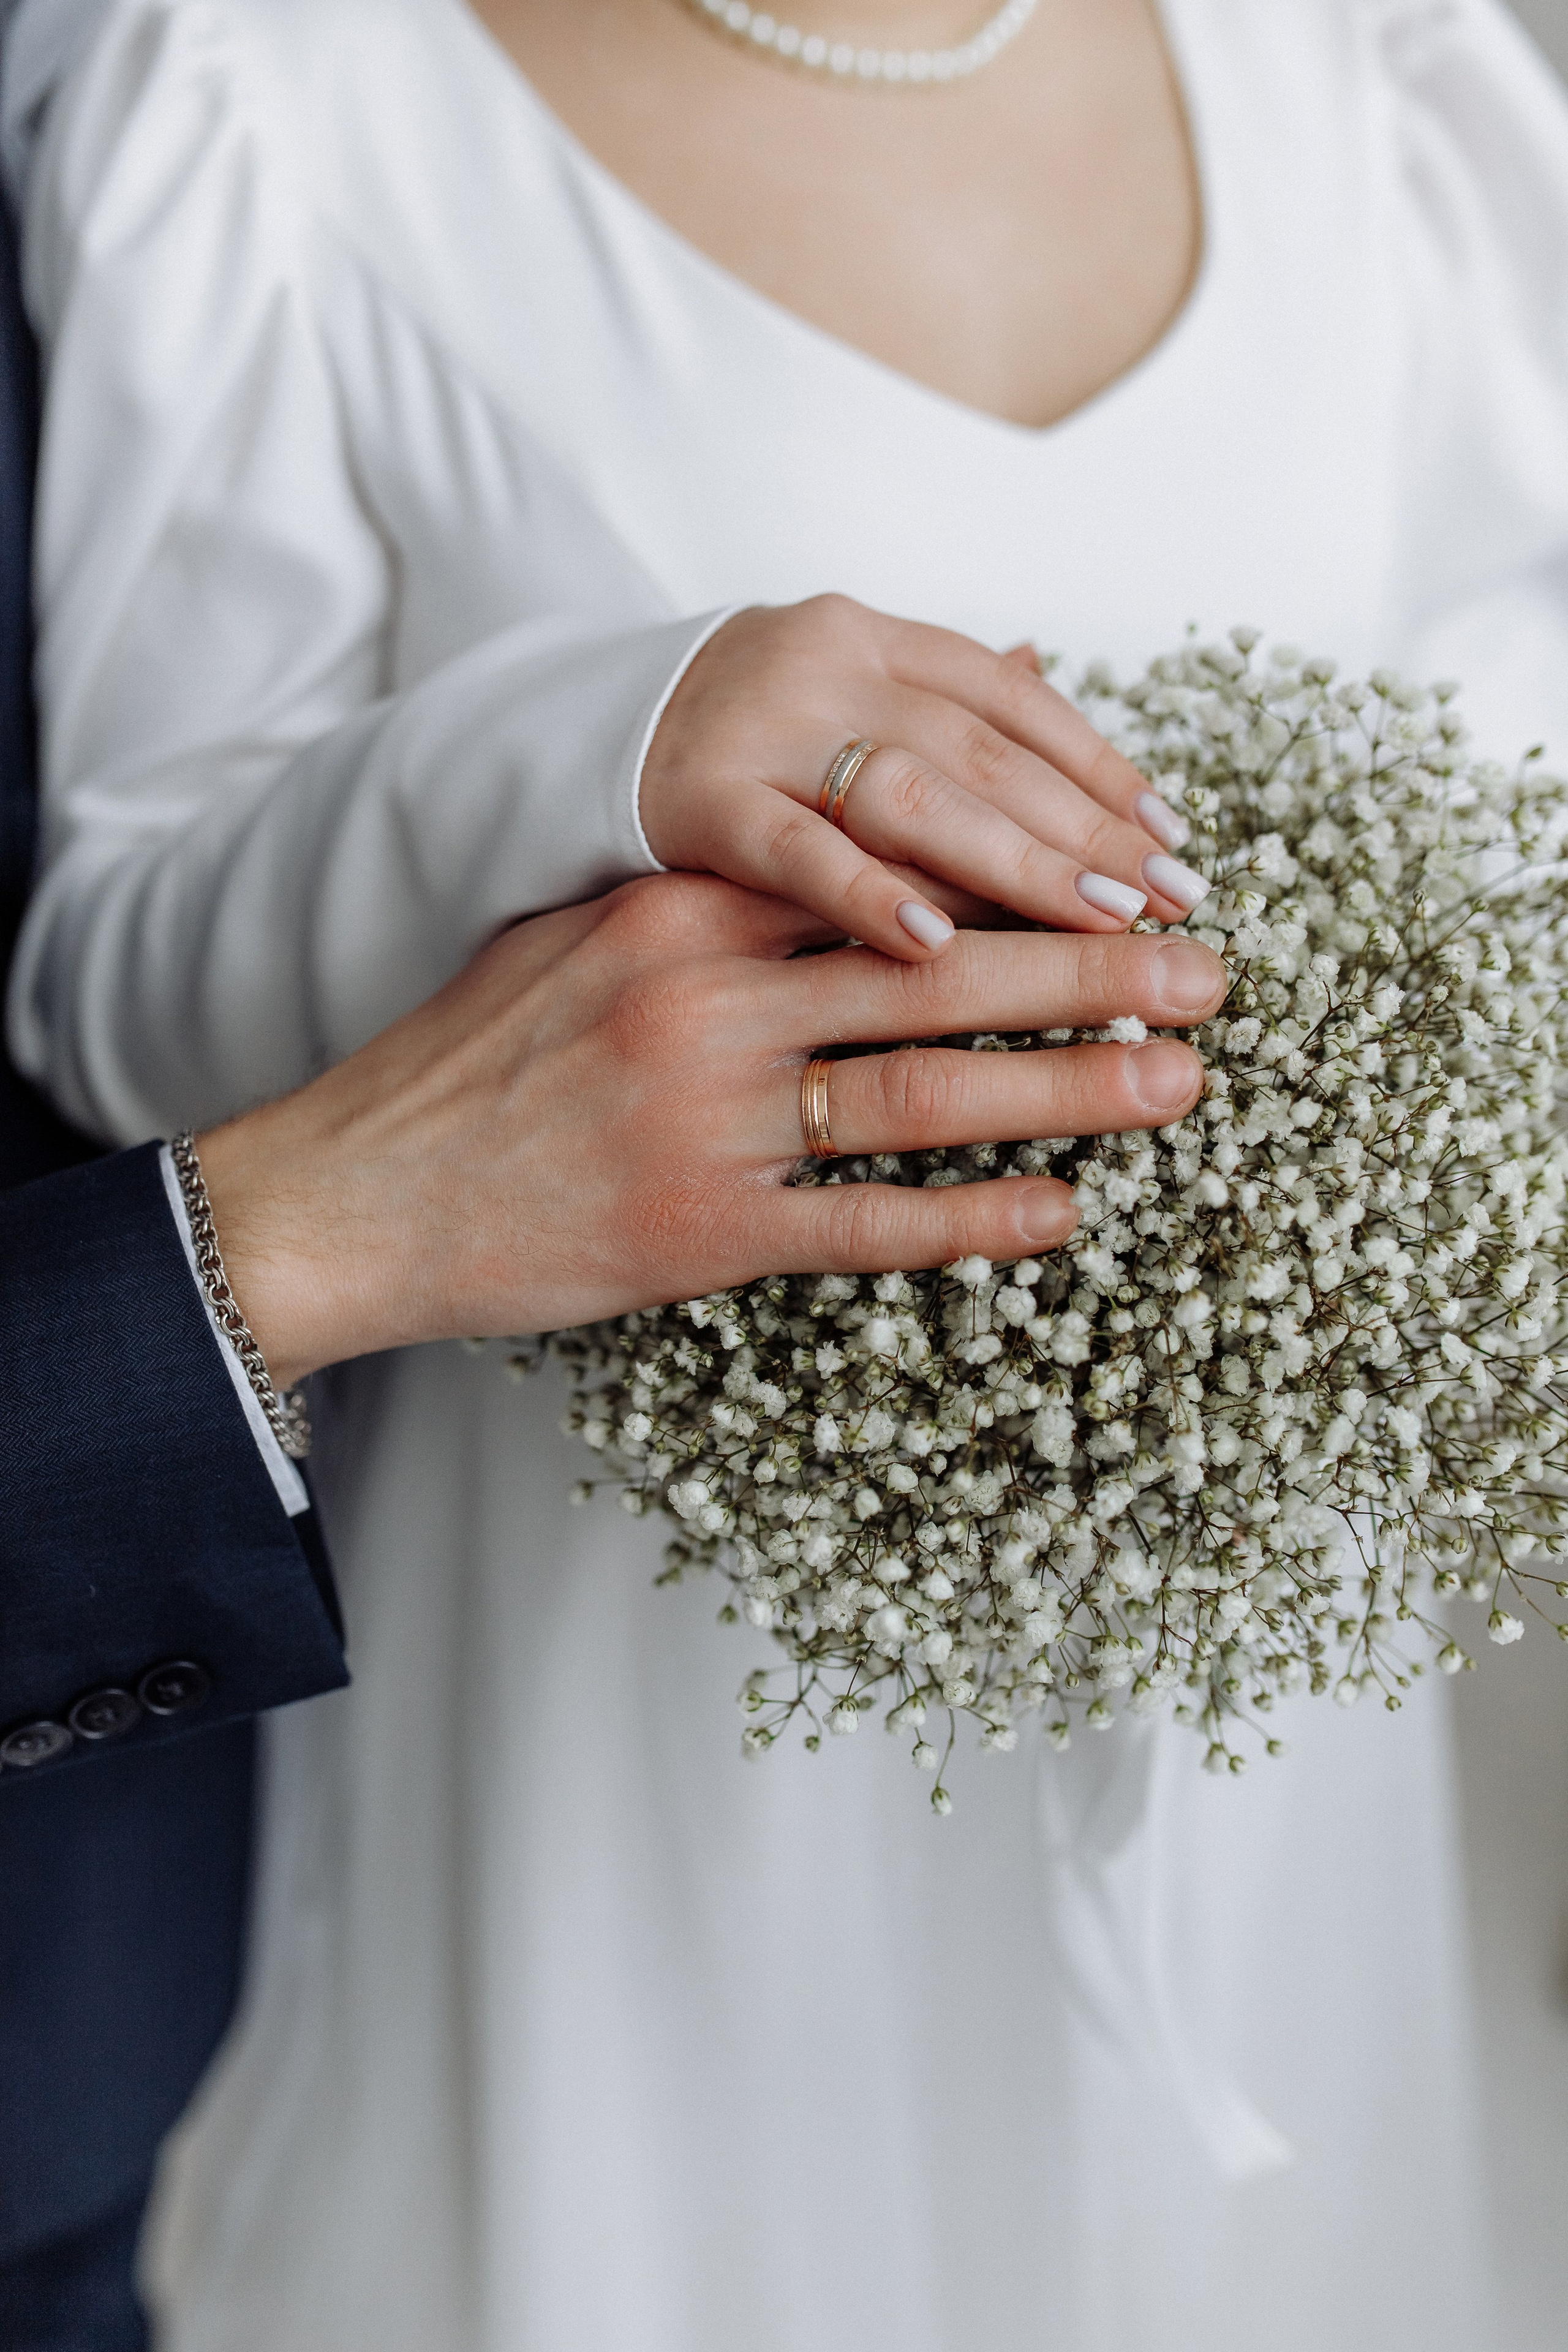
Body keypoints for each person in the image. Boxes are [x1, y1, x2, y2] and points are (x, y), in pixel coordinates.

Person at [8, 0, 1568, 2345]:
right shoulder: (270, 92)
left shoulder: (1377, 73)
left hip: (1270, 1708)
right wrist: (591, 750)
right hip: (631, 1714)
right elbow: (112, 1002)